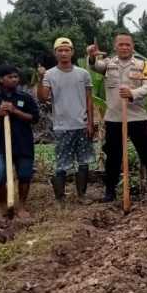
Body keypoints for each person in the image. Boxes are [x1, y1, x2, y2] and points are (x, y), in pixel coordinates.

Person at [86, 33, 147, 202]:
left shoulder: (142, 65)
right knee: (113, 156)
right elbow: (94, 66)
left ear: (132, 46)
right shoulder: (108, 64)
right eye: (120, 44)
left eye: (127, 44)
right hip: (114, 118)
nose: (124, 47)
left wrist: (132, 93)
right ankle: (110, 190)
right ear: (115, 47)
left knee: (146, 152)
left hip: (136, 117)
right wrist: (91, 56)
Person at [36, 37, 95, 204]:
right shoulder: (49, 74)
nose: (63, 53)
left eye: (66, 50)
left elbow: (89, 100)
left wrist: (90, 123)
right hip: (61, 126)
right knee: (62, 163)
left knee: (83, 162)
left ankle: (82, 195)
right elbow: (43, 98)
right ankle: (60, 198)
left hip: (82, 124)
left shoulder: (83, 74)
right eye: (60, 50)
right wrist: (40, 79)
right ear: (55, 53)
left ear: (72, 52)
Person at [0, 65, 40, 217]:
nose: (14, 79)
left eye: (16, 77)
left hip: (23, 144)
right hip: (0, 145)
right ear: (0, 80)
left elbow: (34, 118)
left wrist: (15, 111)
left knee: (24, 175)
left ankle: (21, 206)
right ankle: (3, 206)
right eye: (10, 77)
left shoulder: (25, 97)